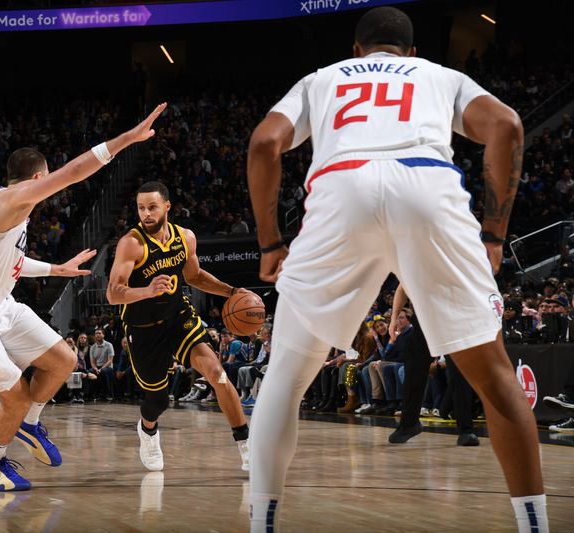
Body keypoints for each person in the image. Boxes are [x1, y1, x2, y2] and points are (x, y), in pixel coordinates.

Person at [246, 7, 546, 532]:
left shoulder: (322, 79)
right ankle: (535, 525)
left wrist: (271, 244)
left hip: (342, 191)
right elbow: (507, 125)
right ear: (410, 53)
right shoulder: (439, 75)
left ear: (356, 50)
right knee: (496, 379)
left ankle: (262, 524)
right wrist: (494, 234)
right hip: (427, 187)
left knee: (284, 381)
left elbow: (264, 144)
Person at [0, 104, 167, 492]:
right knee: (16, 396)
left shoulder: (11, 211)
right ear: (38, 177)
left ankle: (29, 423)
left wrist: (57, 269)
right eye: (46, 179)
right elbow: (73, 173)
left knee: (64, 360)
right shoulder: (9, 201)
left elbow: (12, 259)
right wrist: (128, 138)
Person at [106, 181, 250, 472]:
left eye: (152, 207)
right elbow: (112, 293)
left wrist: (231, 291)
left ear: (167, 207)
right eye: (141, 208)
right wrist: (147, 291)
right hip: (143, 327)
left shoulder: (185, 238)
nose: (145, 214)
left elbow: (194, 276)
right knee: (158, 401)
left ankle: (247, 447)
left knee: (217, 373)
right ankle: (147, 431)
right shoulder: (131, 244)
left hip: (177, 317)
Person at [387, 284, 479, 446]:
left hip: (451, 316)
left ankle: (466, 430)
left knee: (459, 373)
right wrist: (394, 318)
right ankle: (408, 424)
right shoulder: (412, 261)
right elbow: (402, 287)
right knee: (413, 372)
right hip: (424, 320)